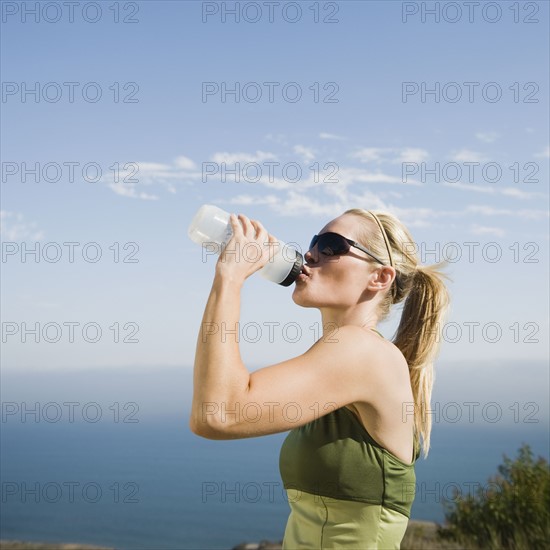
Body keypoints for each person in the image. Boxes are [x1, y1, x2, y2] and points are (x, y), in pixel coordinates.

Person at [190, 208, 451, 549]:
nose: (310, 253)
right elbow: (209, 413)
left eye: (330, 246)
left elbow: (218, 413)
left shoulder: (361, 351)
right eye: (314, 242)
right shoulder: (345, 358)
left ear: (380, 277)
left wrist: (230, 278)